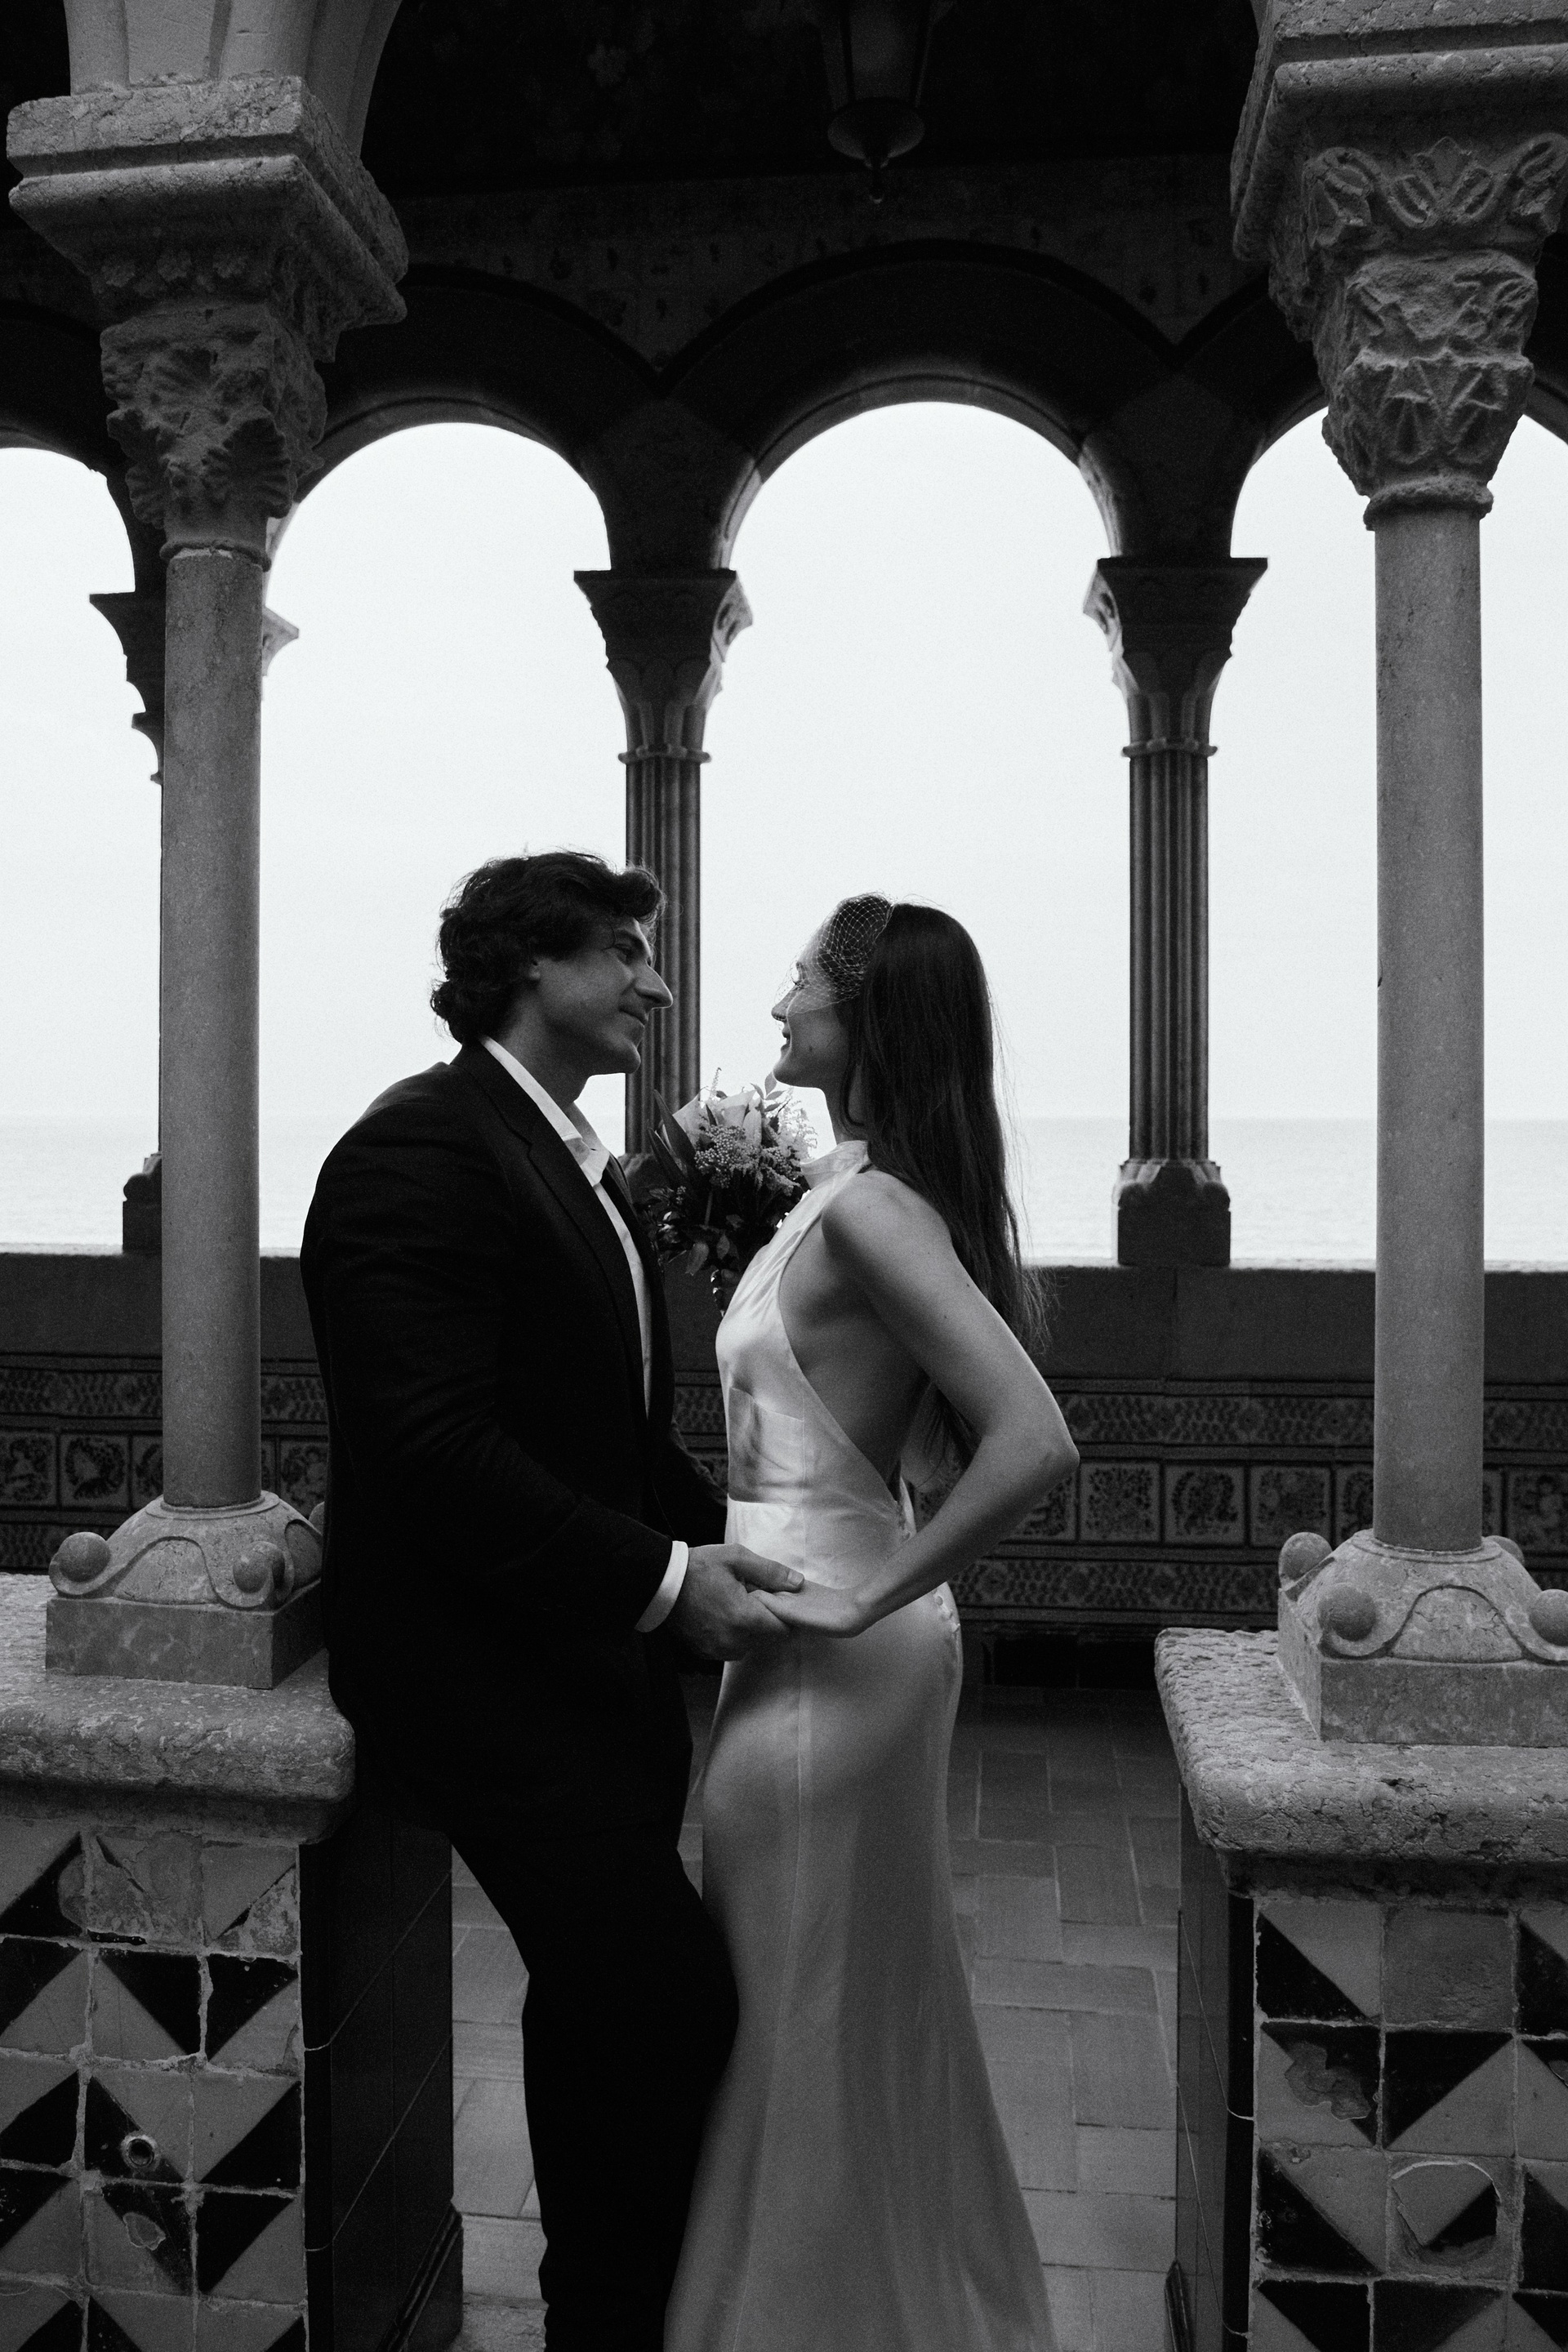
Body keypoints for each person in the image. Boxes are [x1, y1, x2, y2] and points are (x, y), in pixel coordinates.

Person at [300, 851, 802, 2352]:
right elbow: (432, 1452)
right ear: (531, 966)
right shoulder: (419, 1150)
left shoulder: (567, 1155)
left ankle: (605, 2311)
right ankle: (611, 2323)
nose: (657, 983)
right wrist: (666, 1583)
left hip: (577, 1657)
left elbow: (614, 1437)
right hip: (473, 1672)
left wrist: (766, 1546)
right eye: (625, 954)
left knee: (600, 2003)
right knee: (664, 1999)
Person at [665, 896, 1078, 2352]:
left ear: (866, 1015)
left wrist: (868, 1588)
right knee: (825, 1997)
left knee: (803, 2001)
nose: (780, 1004)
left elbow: (1034, 1438)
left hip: (835, 1656)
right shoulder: (835, 1188)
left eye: (804, 983)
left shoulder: (874, 1212)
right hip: (794, 1645)